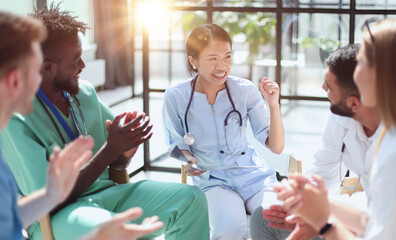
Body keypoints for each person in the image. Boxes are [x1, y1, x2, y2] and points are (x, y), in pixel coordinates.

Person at [0, 5, 209, 240]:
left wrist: (126, 148)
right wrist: (110, 149)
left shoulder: (84, 93)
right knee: (113, 230)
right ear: (48, 68)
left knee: (191, 200)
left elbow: (117, 165)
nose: (83, 66)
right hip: (61, 216)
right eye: (76, 61)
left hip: (110, 195)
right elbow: (47, 201)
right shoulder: (15, 119)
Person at [162, 23, 285, 240]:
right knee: (229, 233)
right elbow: (175, 142)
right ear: (193, 61)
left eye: (227, 57)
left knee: (277, 221)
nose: (222, 66)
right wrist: (190, 160)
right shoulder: (176, 96)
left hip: (253, 175)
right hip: (213, 180)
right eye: (212, 58)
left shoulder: (244, 90)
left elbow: (275, 146)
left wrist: (273, 105)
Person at [278, 18, 396, 239]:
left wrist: (323, 222)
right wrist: (308, 203)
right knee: (266, 221)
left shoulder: (392, 155)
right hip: (364, 219)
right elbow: (372, 221)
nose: (355, 72)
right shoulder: (388, 134)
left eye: (360, 63)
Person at [250, 44, 382, 239]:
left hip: (377, 227)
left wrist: (323, 218)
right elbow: (323, 171)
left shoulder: (389, 145)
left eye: (329, 86)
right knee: (264, 218)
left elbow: (381, 222)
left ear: (353, 103)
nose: (322, 88)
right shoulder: (342, 116)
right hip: (359, 214)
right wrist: (301, 207)